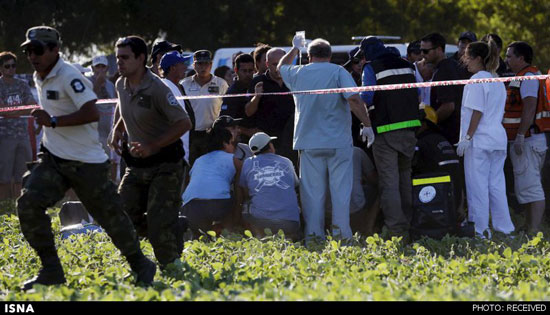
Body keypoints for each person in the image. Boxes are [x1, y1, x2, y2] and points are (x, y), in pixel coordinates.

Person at [17, 26, 156, 290]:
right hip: (54, 158)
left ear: (55, 50)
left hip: (86, 163)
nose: (32, 56)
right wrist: (45, 119)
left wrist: (54, 121)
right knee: (28, 204)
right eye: (28, 51)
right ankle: (51, 270)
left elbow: (91, 112)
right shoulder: (40, 74)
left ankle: (141, 264)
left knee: (111, 217)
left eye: (37, 50)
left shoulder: (70, 76)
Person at [278, 36, 375, 241]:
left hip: (308, 142)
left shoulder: (297, 72)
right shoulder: (338, 71)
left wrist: (295, 49)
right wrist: (367, 125)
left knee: (312, 195)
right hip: (338, 142)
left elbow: (280, 66)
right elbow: (354, 99)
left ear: (310, 56)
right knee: (341, 192)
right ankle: (342, 235)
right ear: (330, 56)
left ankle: (314, 236)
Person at [110, 35, 191, 269]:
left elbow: (184, 123)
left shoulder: (158, 88)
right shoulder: (120, 84)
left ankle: (172, 268)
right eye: (118, 58)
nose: (120, 63)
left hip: (167, 165)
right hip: (137, 165)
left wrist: (154, 145)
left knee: (158, 225)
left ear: (141, 58)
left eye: (125, 58)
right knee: (120, 216)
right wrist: (117, 129)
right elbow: (124, 104)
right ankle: (173, 226)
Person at [360, 36, 420, 241]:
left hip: (385, 131)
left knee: (389, 182)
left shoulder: (371, 67)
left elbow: (365, 98)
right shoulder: (407, 65)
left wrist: (366, 124)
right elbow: (418, 94)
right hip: (410, 130)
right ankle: (411, 224)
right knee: (405, 179)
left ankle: (396, 231)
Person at [455, 40, 515, 238]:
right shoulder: (496, 80)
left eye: (468, 57)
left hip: (479, 140)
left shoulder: (476, 81)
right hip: (497, 138)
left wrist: (467, 138)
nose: (466, 61)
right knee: (497, 185)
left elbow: (477, 112)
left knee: (477, 185)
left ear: (478, 59)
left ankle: (479, 229)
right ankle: (505, 228)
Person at [503, 41, 548, 234]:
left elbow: (530, 107)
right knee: (527, 185)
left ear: (521, 58)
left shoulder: (528, 77)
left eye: (509, 56)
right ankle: (529, 225)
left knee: (532, 187)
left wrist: (520, 135)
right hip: (529, 139)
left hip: (529, 139)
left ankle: (534, 230)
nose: (506, 59)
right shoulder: (525, 76)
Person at [239, 132, 301, 240]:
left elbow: (245, 192)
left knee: (245, 203)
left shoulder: (248, 163)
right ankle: (291, 236)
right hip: (290, 223)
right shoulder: (286, 161)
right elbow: (295, 184)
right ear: (270, 146)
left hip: (261, 224)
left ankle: (256, 237)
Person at [182, 126, 240, 238]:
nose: (234, 148)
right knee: (235, 197)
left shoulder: (199, 160)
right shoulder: (233, 159)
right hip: (218, 205)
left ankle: (202, 234)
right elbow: (240, 188)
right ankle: (227, 232)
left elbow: (189, 182)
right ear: (225, 144)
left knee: (201, 234)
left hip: (190, 207)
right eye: (232, 143)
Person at [246, 48, 297, 166]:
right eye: (275, 64)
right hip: (268, 143)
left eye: (282, 63)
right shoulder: (258, 82)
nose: (278, 68)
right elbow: (248, 111)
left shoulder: (294, 80)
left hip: (292, 140)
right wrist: (257, 97)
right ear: (267, 64)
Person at [182, 50, 229, 166]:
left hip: (212, 134)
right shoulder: (184, 84)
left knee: (211, 167)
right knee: (190, 169)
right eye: (199, 64)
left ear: (211, 65)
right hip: (190, 135)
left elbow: (226, 108)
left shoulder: (221, 84)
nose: (203, 67)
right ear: (194, 65)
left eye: (206, 64)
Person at [0, 51, 36, 200]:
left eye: (13, 66)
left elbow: (33, 106)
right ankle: (4, 208)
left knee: (22, 177)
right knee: (4, 177)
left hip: (23, 135)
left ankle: (17, 207)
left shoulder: (22, 84)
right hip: (5, 137)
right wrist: (22, 109)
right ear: (1, 68)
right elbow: (3, 110)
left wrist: (15, 111)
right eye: (7, 66)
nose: (11, 69)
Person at [421, 32, 463, 145]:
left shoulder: (445, 70)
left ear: (439, 49)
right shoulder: (450, 65)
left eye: (426, 51)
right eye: (421, 50)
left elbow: (448, 106)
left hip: (450, 134)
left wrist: (428, 125)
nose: (422, 54)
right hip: (456, 132)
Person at [159, 51, 193, 167]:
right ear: (173, 68)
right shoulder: (168, 89)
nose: (185, 67)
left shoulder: (172, 86)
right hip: (173, 157)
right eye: (182, 64)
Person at [220, 53, 256, 140]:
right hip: (240, 139)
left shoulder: (257, 87)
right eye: (244, 71)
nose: (247, 74)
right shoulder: (231, 93)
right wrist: (248, 132)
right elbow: (226, 120)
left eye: (250, 71)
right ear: (236, 70)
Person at [343, 47, 367, 147]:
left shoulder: (373, 76)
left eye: (363, 61)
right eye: (356, 61)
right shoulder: (346, 78)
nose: (360, 64)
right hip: (352, 123)